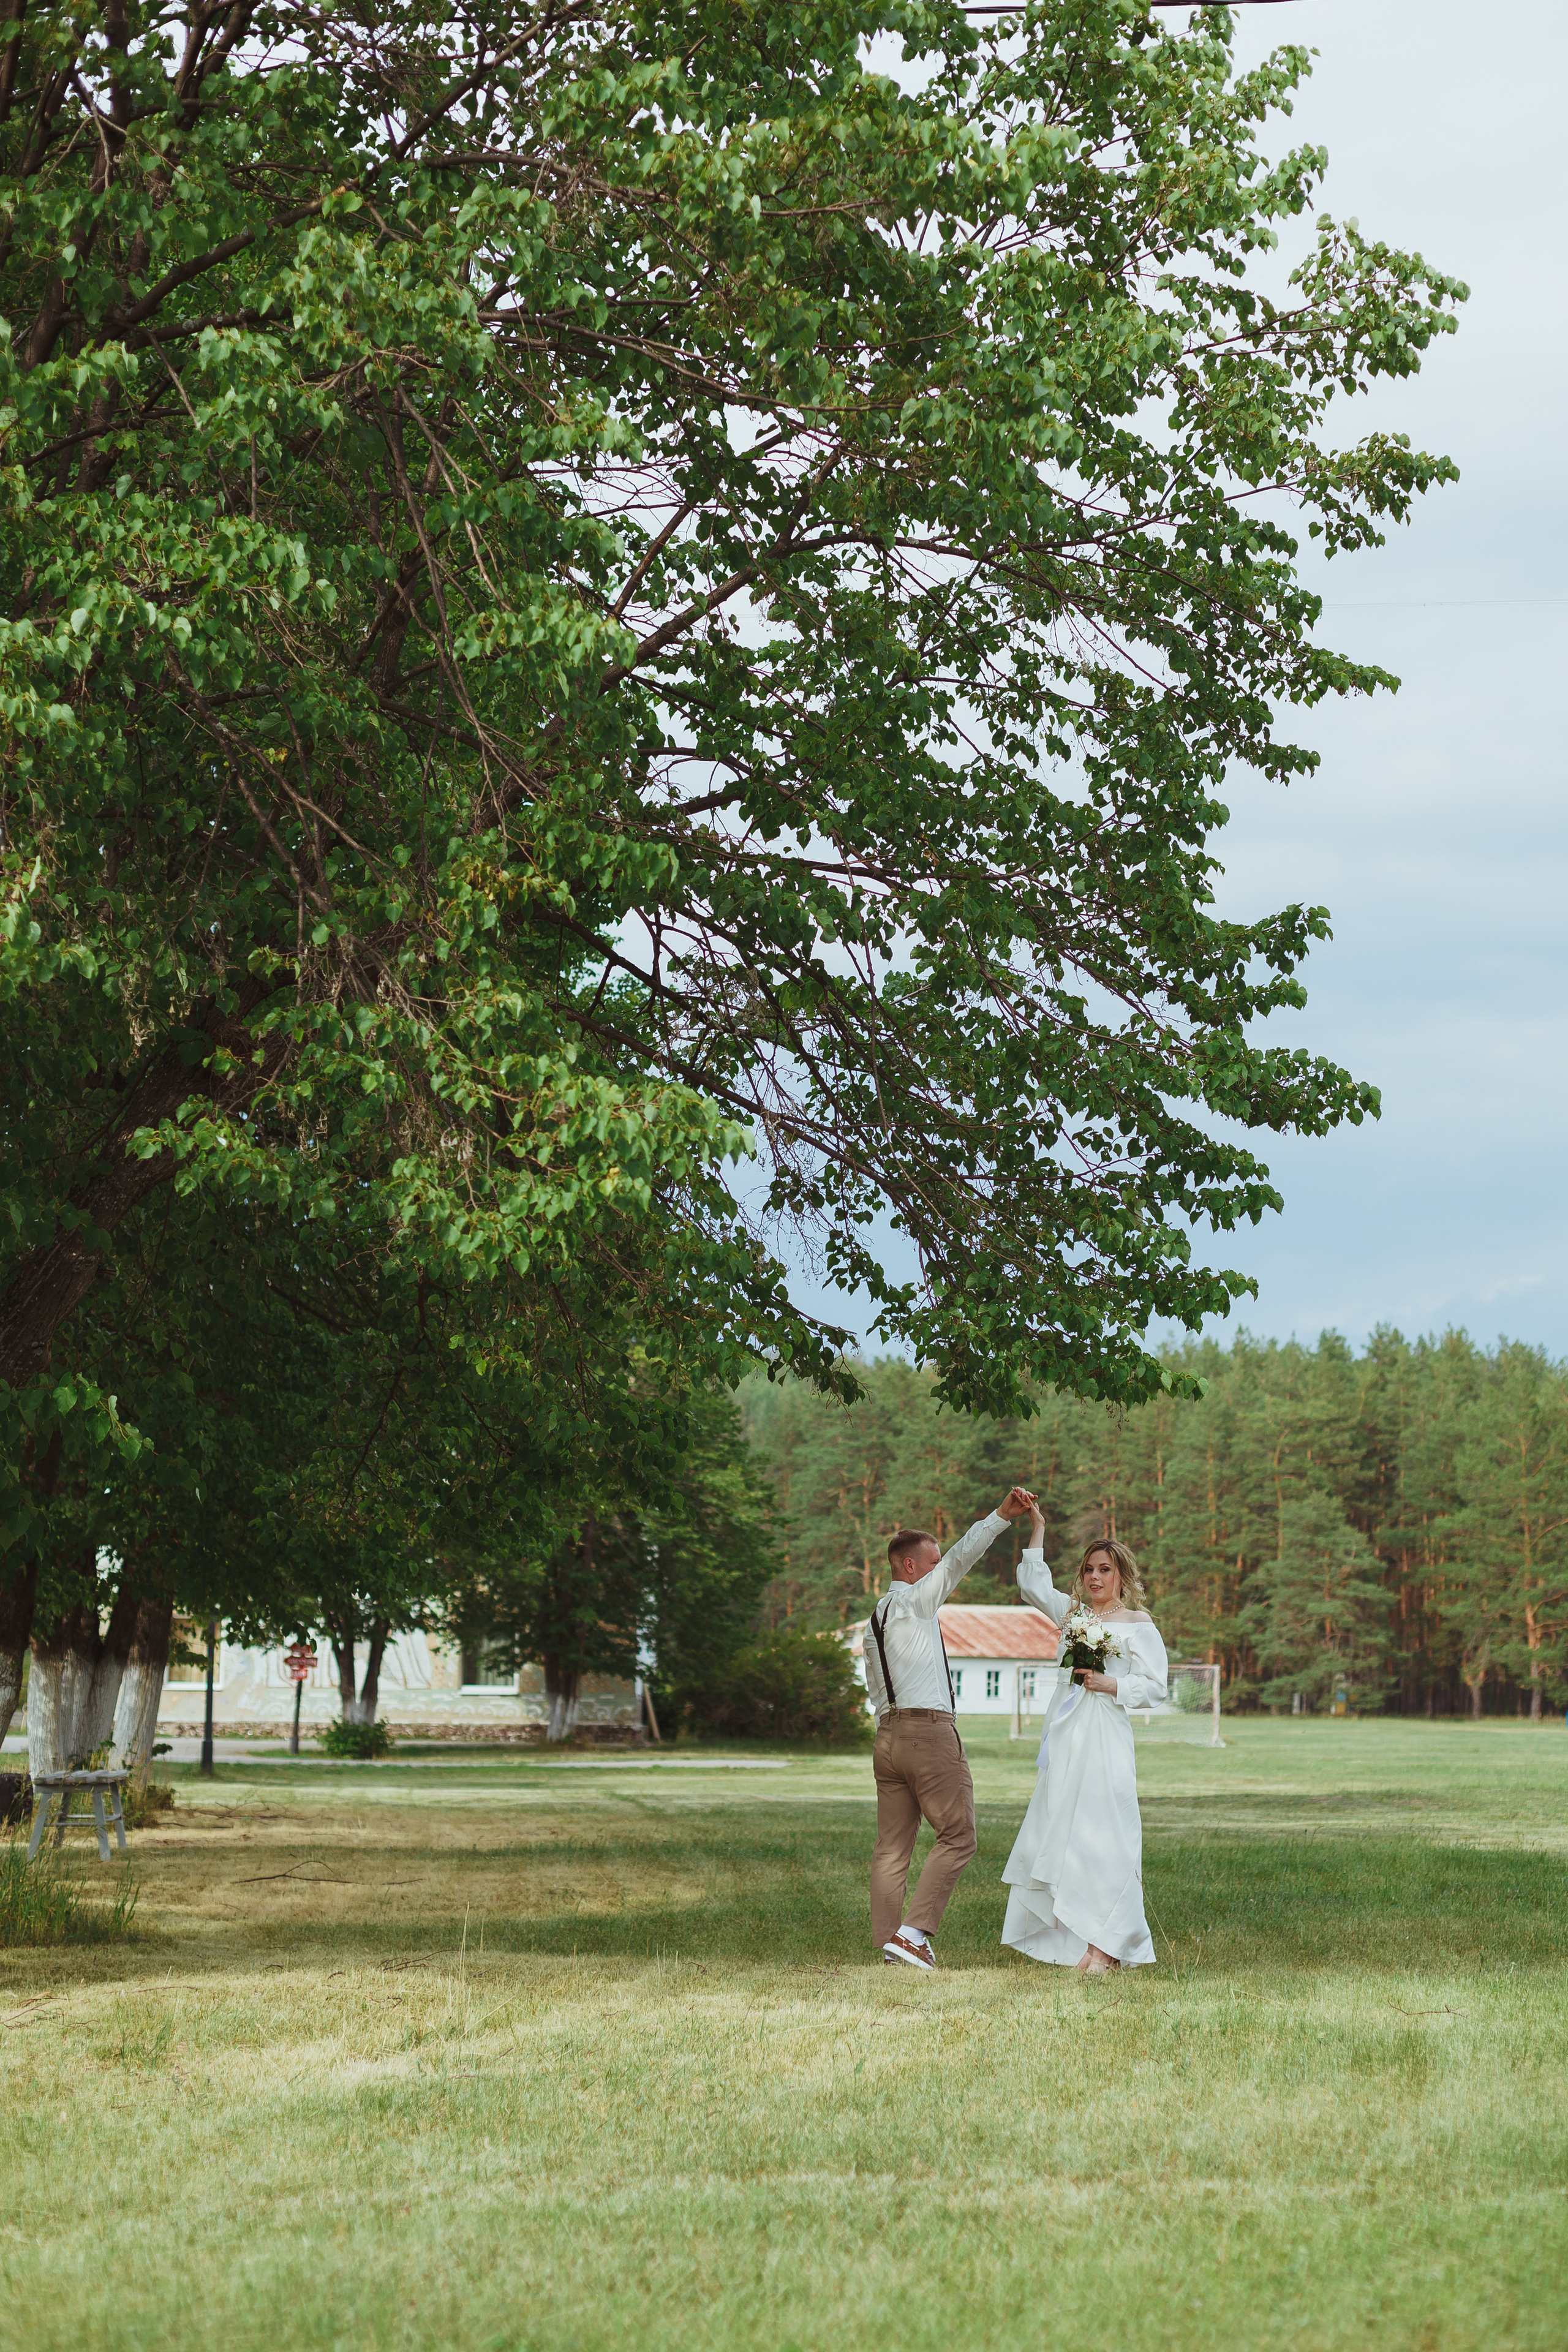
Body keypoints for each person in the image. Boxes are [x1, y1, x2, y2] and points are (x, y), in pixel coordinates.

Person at [866, 1486, 1036, 1971]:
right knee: (959, 1836)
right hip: (929, 1735)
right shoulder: (918, 1602)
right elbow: (964, 1554)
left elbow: (877, 1687)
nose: (942, 1568)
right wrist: (1002, 1516)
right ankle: (912, 1934)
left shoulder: (874, 1619)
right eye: (933, 1562)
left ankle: (891, 1944)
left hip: (888, 1738)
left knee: (892, 1848)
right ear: (911, 1568)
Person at [1000, 1507, 1169, 1973]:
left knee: (1109, 1836)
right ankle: (1081, 1942)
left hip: (1106, 1736)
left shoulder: (1138, 1624)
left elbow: (1156, 1688)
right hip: (1067, 1737)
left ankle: (1110, 1945)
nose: (1095, 1577)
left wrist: (1111, 1685)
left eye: (1105, 1570)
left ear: (1121, 1576)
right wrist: (1038, 1529)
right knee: (1068, 1833)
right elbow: (1032, 1586)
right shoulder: (1073, 1615)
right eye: (1089, 1570)